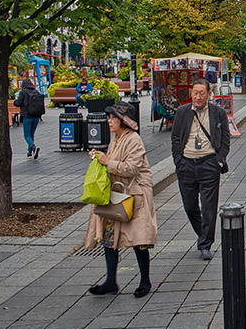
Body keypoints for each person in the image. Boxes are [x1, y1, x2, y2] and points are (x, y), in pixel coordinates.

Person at [85, 101, 157, 298]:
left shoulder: (133, 139)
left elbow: (131, 168)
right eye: (109, 117)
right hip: (120, 194)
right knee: (110, 237)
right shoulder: (116, 138)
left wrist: (107, 162)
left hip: (135, 195)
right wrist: (101, 158)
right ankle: (110, 281)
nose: (109, 121)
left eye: (113, 117)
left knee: (137, 239)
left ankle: (145, 280)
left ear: (123, 121)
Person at [171, 79, 231, 260]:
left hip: (209, 164)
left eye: (201, 93)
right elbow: (175, 138)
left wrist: (219, 160)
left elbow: (226, 138)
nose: (198, 97)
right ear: (191, 93)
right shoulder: (182, 112)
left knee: (209, 208)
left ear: (208, 94)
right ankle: (202, 233)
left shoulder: (218, 112)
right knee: (190, 207)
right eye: (195, 93)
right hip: (187, 164)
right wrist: (178, 161)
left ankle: (205, 244)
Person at [13, 78, 43, 158]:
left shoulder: (23, 92)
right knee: (31, 134)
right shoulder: (36, 91)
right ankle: (29, 152)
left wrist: (15, 100)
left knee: (27, 135)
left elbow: (17, 103)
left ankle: (32, 146)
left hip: (27, 116)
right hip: (36, 116)